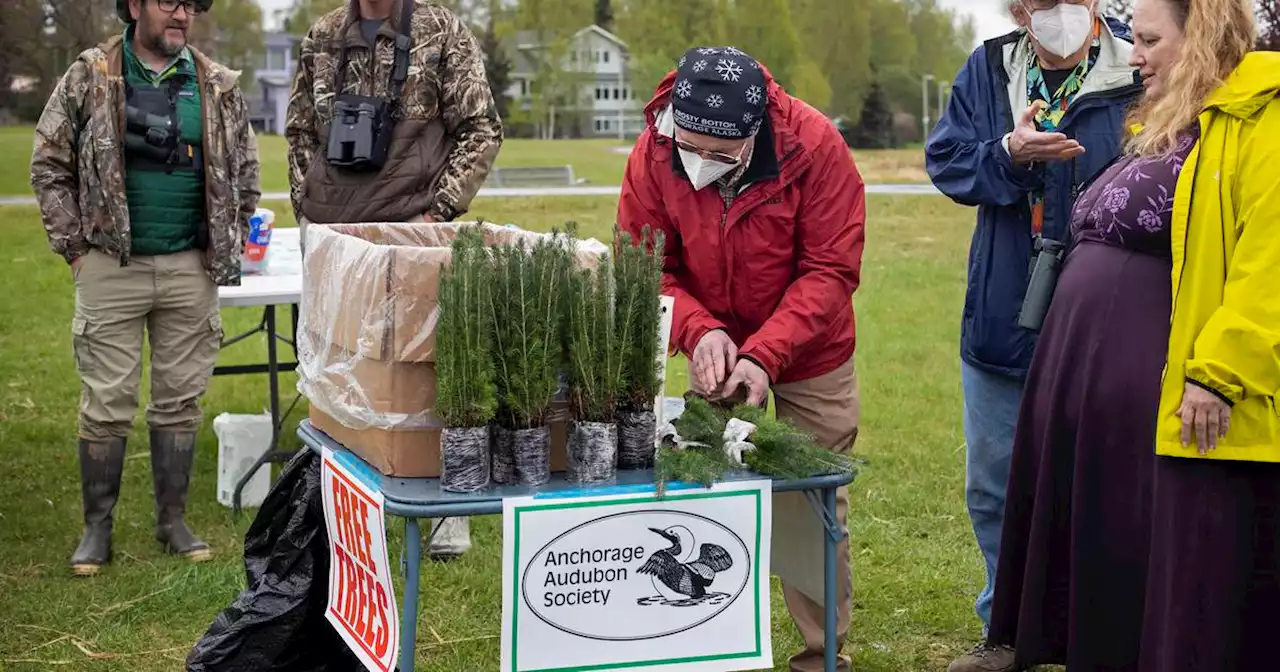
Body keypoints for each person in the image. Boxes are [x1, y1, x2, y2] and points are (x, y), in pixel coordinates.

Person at [985, 0, 1280, 669]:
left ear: (1201, 37)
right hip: (1103, 378)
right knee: (1117, 556)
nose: (1133, 52)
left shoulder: (1264, 118)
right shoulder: (1169, 117)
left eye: (1148, 39)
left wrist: (1219, 372)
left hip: (1190, 384)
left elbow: (1271, 259)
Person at [617, 45, 865, 671]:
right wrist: (699, 332)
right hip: (715, 344)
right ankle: (707, 644)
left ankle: (820, 655)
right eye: (689, 146)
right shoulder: (654, 147)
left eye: (720, 155)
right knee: (704, 486)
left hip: (811, 346)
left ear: (755, 131)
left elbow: (830, 269)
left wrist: (766, 354)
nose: (699, 163)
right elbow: (643, 261)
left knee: (809, 498)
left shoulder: (816, 147)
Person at [924, 2, 1143, 668]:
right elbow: (949, 162)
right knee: (994, 486)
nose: (1050, 15)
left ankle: (1103, 636)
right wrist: (1010, 154)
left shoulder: (1139, 66)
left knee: (1104, 483)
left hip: (1105, 319)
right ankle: (1008, 633)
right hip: (1002, 314)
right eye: (1033, 3)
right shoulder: (988, 67)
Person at [30, 0, 261, 576]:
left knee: (180, 399)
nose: (182, 14)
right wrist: (76, 251)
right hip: (110, 265)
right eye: (169, 2)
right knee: (106, 404)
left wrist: (221, 238)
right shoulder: (92, 73)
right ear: (134, 6)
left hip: (189, 269)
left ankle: (172, 521)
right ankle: (96, 529)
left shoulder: (216, 84)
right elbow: (48, 164)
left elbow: (247, 173)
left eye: (191, 5)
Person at [285, 0, 502, 561]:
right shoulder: (323, 35)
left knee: (427, 368)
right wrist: (307, 215)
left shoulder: (441, 30)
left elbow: (480, 129)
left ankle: (446, 507)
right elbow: (300, 132)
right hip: (336, 241)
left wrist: (434, 220)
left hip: (411, 232)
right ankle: (344, 511)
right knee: (339, 374)